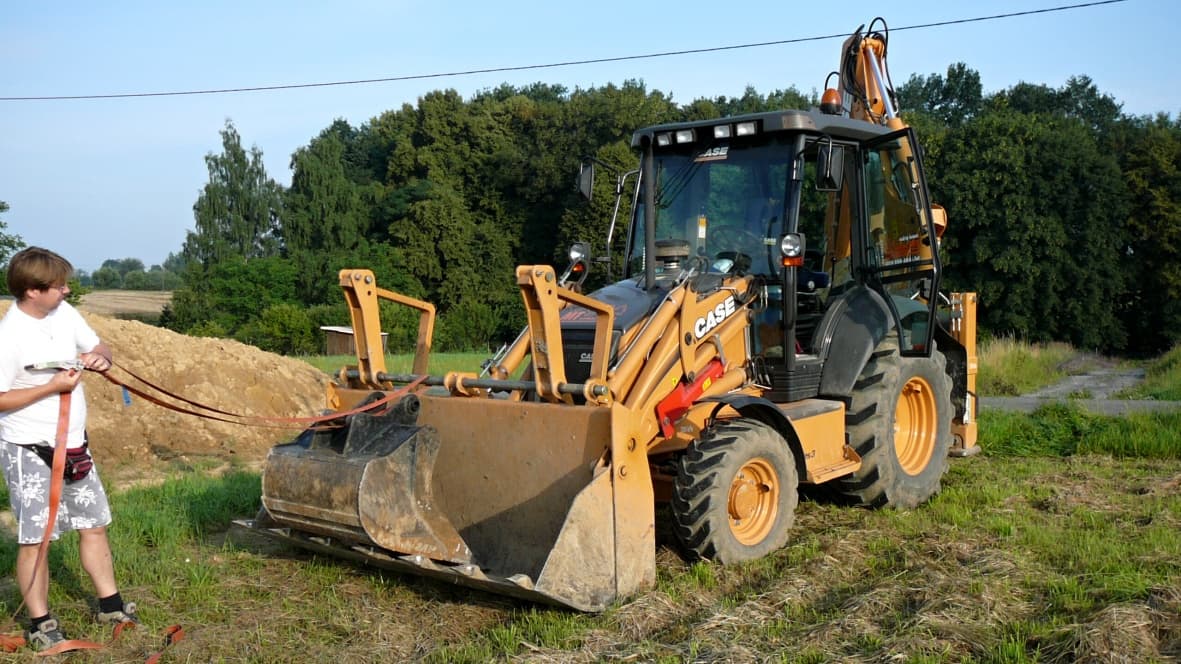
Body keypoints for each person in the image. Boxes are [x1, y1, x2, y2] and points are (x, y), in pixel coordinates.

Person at [0, 247, 137, 652]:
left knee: (93, 525)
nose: (66, 290)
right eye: (59, 285)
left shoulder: (64, 314)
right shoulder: (9, 337)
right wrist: (50, 388)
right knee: (37, 539)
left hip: (75, 444)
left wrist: (99, 357)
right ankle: (41, 623)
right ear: (32, 291)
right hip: (29, 448)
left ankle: (110, 606)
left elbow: (102, 345)